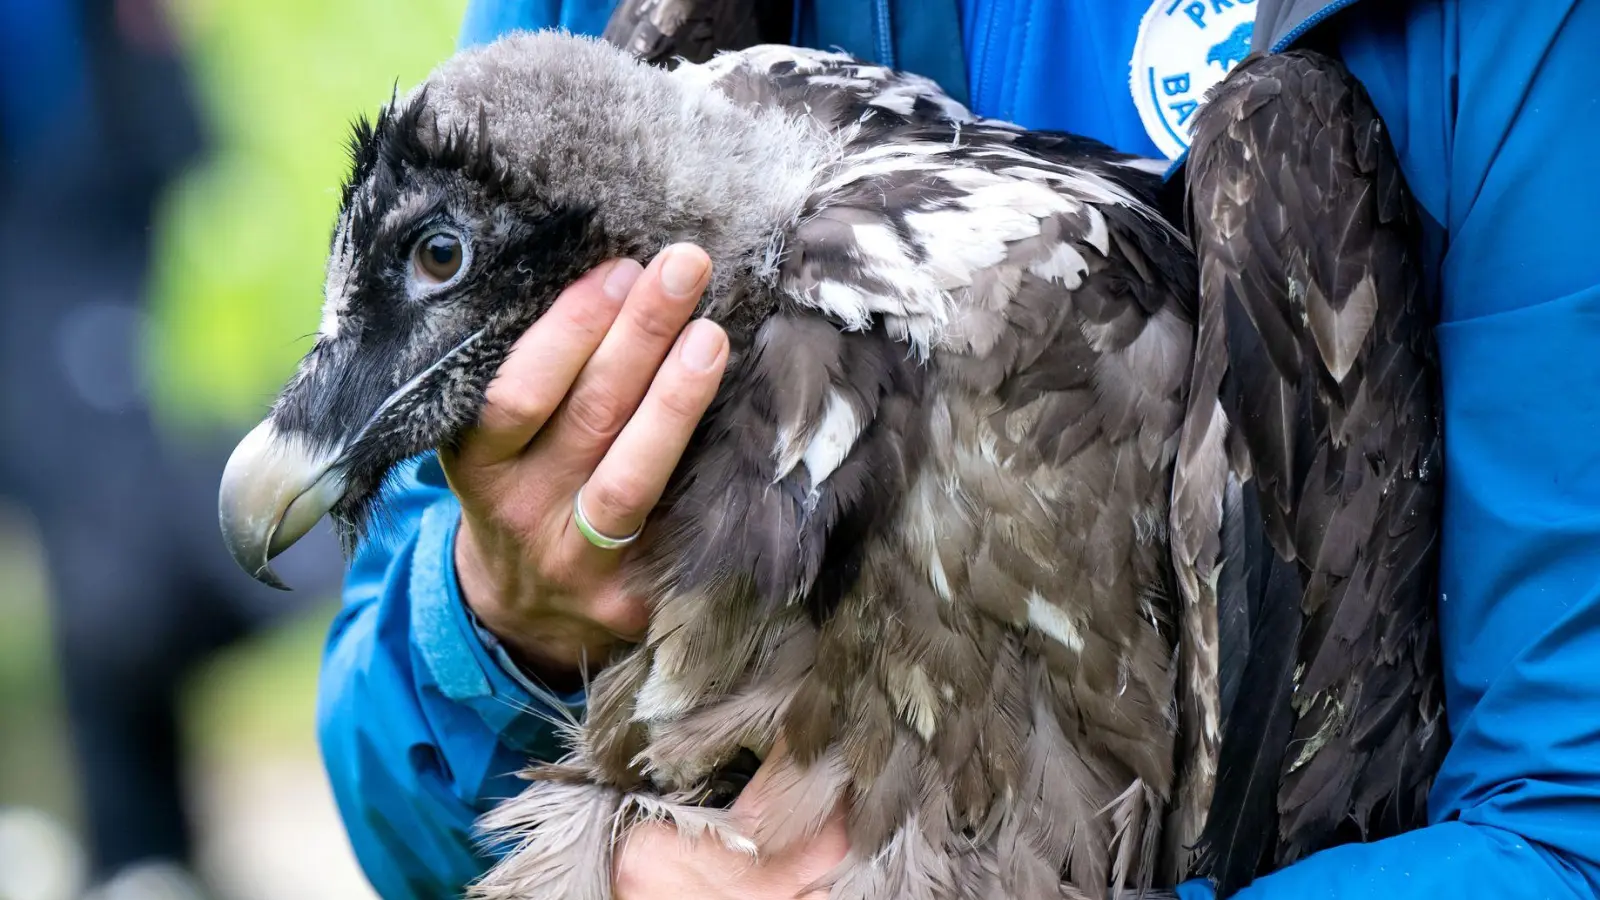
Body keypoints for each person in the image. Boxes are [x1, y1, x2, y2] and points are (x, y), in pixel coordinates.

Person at [316, 1, 1600, 897]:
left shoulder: (1502, 36)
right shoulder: (615, 88)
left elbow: (1567, 832)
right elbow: (389, 768)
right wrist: (501, 623)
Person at [0, 1, 345, 896]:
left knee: (109, 546)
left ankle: (141, 853)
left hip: (82, 196)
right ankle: (131, 851)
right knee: (97, 554)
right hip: (46, 206)